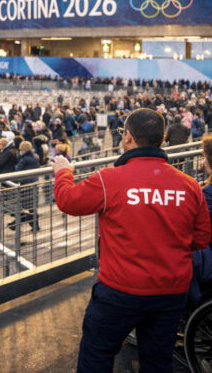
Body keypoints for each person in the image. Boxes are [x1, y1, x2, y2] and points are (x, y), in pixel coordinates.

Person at [52, 108, 211, 372]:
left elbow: (68, 200)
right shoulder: (189, 185)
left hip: (119, 290)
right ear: (162, 140)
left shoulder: (109, 179)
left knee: (96, 356)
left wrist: (63, 172)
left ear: (127, 138)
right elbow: (201, 238)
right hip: (170, 291)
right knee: (158, 362)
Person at [12, 141, 40, 232]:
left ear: (23, 149)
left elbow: (17, 170)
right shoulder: (35, 157)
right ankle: (33, 225)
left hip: (25, 184)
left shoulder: (24, 159)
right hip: (33, 183)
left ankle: (19, 224)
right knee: (31, 207)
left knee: (26, 206)